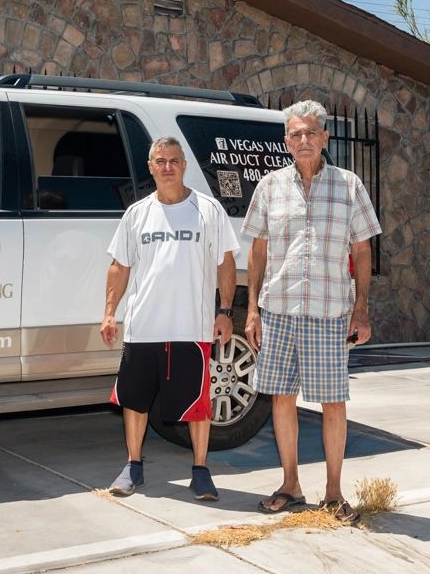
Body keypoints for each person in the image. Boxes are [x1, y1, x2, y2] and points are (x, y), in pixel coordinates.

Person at [242, 99, 382, 520]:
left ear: (325, 138)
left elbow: (362, 250)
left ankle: (334, 493)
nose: (303, 139)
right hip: (279, 309)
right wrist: (252, 310)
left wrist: (361, 309)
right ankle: (291, 485)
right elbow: (257, 251)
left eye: (310, 132)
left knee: (333, 402)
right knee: (282, 399)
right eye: (295, 133)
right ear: (286, 141)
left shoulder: (349, 186)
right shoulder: (269, 187)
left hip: (329, 312)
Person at [99, 137, 240, 500]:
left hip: (191, 326)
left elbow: (225, 263)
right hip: (144, 326)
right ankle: (133, 466)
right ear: (150, 167)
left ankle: (201, 471)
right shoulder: (137, 214)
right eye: (160, 161)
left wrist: (225, 311)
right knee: (134, 400)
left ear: (184, 165)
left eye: (174, 161)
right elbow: (119, 266)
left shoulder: (208, 210)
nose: (167, 167)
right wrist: (110, 312)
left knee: (197, 404)